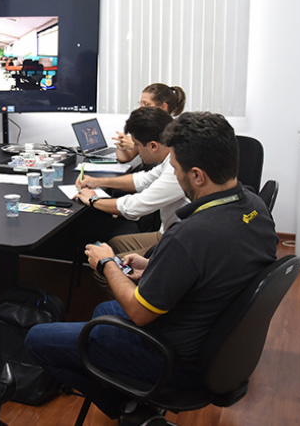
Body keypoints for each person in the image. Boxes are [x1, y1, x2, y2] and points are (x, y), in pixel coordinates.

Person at [25, 112, 278, 424]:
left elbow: (139, 312)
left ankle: (127, 409)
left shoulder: (191, 235)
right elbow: (216, 273)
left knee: (36, 339)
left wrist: (106, 264)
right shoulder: (255, 209)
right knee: (104, 308)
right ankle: (130, 398)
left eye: (175, 170)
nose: (174, 175)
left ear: (197, 175)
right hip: (216, 345)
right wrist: (153, 268)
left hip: (175, 361)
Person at [74, 107, 188, 258]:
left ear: (153, 146)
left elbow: (134, 206)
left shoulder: (177, 168)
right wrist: (95, 181)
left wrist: (93, 200)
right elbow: (142, 180)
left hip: (181, 242)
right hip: (168, 232)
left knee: (109, 264)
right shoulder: (172, 156)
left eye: (137, 144)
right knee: (115, 244)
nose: (134, 149)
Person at [114, 83, 187, 163]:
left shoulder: (176, 131)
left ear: (163, 107)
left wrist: (138, 145)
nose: (141, 107)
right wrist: (122, 145)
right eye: (141, 103)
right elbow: (126, 157)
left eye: (146, 104)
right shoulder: (146, 126)